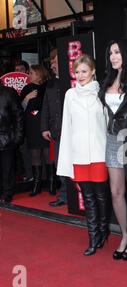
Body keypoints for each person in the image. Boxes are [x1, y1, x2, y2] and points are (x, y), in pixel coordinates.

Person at [57, 54, 108, 256]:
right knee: (88, 197)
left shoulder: (102, 93)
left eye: (84, 71)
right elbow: (66, 128)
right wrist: (67, 158)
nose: (80, 75)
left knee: (102, 197)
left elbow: (107, 124)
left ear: (93, 71)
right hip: (79, 155)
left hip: (99, 152)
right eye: (76, 72)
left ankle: (103, 233)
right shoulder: (70, 95)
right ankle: (93, 238)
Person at [99, 40, 127, 261]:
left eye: (117, 52)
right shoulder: (107, 79)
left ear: (126, 53)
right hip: (111, 140)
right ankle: (124, 234)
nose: (113, 56)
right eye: (110, 53)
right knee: (116, 192)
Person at [20, 64, 54, 197]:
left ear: (39, 74)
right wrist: (26, 99)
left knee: (47, 153)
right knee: (35, 153)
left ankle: (51, 183)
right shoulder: (26, 88)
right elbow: (20, 109)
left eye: (32, 73)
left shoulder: (48, 86)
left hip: (45, 123)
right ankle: (37, 184)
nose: (29, 75)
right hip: (32, 124)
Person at [41, 48, 67, 207]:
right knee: (60, 165)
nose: (52, 65)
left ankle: (78, 197)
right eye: (51, 62)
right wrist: (44, 127)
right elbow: (45, 107)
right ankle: (64, 195)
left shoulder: (73, 80)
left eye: (54, 62)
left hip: (73, 132)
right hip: (56, 132)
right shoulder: (50, 84)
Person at [0, 79, 24, 203]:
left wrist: (18, 136)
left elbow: (18, 115)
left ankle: (7, 193)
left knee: (7, 168)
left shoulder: (8, 93)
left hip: (7, 137)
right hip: (7, 136)